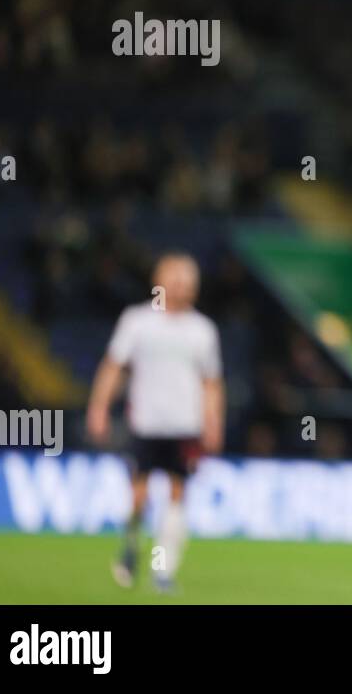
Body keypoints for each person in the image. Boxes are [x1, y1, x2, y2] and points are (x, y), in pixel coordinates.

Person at [87, 253, 224, 593]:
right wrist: (99, 407)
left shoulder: (202, 330)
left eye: (187, 280)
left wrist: (213, 421)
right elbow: (114, 365)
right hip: (145, 423)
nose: (181, 286)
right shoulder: (137, 322)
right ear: (158, 280)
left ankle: (162, 570)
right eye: (175, 278)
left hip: (185, 426)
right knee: (139, 497)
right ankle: (131, 542)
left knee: (177, 498)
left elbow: (211, 382)